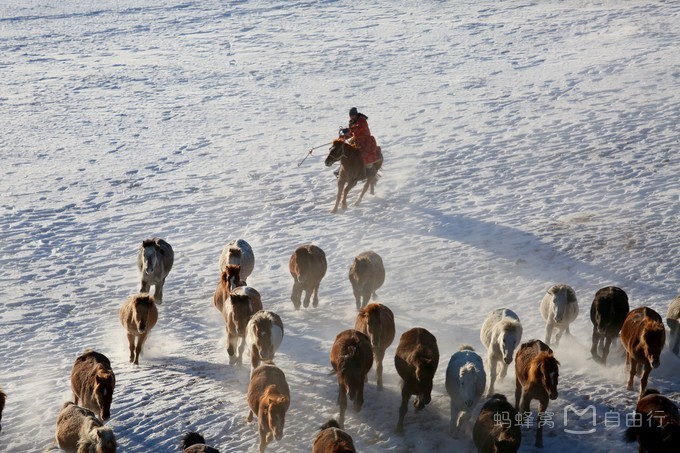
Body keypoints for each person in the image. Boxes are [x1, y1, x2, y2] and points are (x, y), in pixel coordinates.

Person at [338, 107, 380, 179]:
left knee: (363, 155)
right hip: (357, 142)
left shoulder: (362, 120)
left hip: (366, 142)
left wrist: (349, 129)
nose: (352, 117)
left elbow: (358, 128)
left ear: (356, 114)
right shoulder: (351, 122)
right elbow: (351, 134)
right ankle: (342, 169)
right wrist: (342, 137)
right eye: (351, 116)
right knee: (347, 154)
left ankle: (369, 170)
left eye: (353, 115)